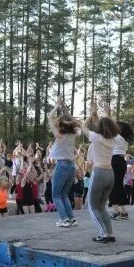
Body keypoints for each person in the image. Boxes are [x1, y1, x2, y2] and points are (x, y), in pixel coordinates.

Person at [81, 99, 120, 243]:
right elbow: (108, 125)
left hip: (99, 174)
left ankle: (102, 233)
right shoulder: (113, 139)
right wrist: (107, 113)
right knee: (102, 206)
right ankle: (109, 233)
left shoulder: (95, 137)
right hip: (110, 174)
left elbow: (83, 127)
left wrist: (91, 114)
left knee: (92, 207)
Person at [49, 95, 80, 228]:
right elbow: (71, 119)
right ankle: (71, 219)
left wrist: (57, 105)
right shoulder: (73, 135)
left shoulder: (59, 135)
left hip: (62, 166)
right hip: (72, 166)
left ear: (60, 125)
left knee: (56, 194)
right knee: (64, 194)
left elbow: (49, 117)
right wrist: (64, 107)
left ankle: (64, 220)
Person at [109, 122, 134, 220]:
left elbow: (109, 126)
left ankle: (116, 211)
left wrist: (107, 113)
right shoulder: (124, 139)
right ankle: (123, 211)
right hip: (121, 162)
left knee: (113, 186)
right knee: (119, 186)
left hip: (115, 161)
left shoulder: (117, 137)